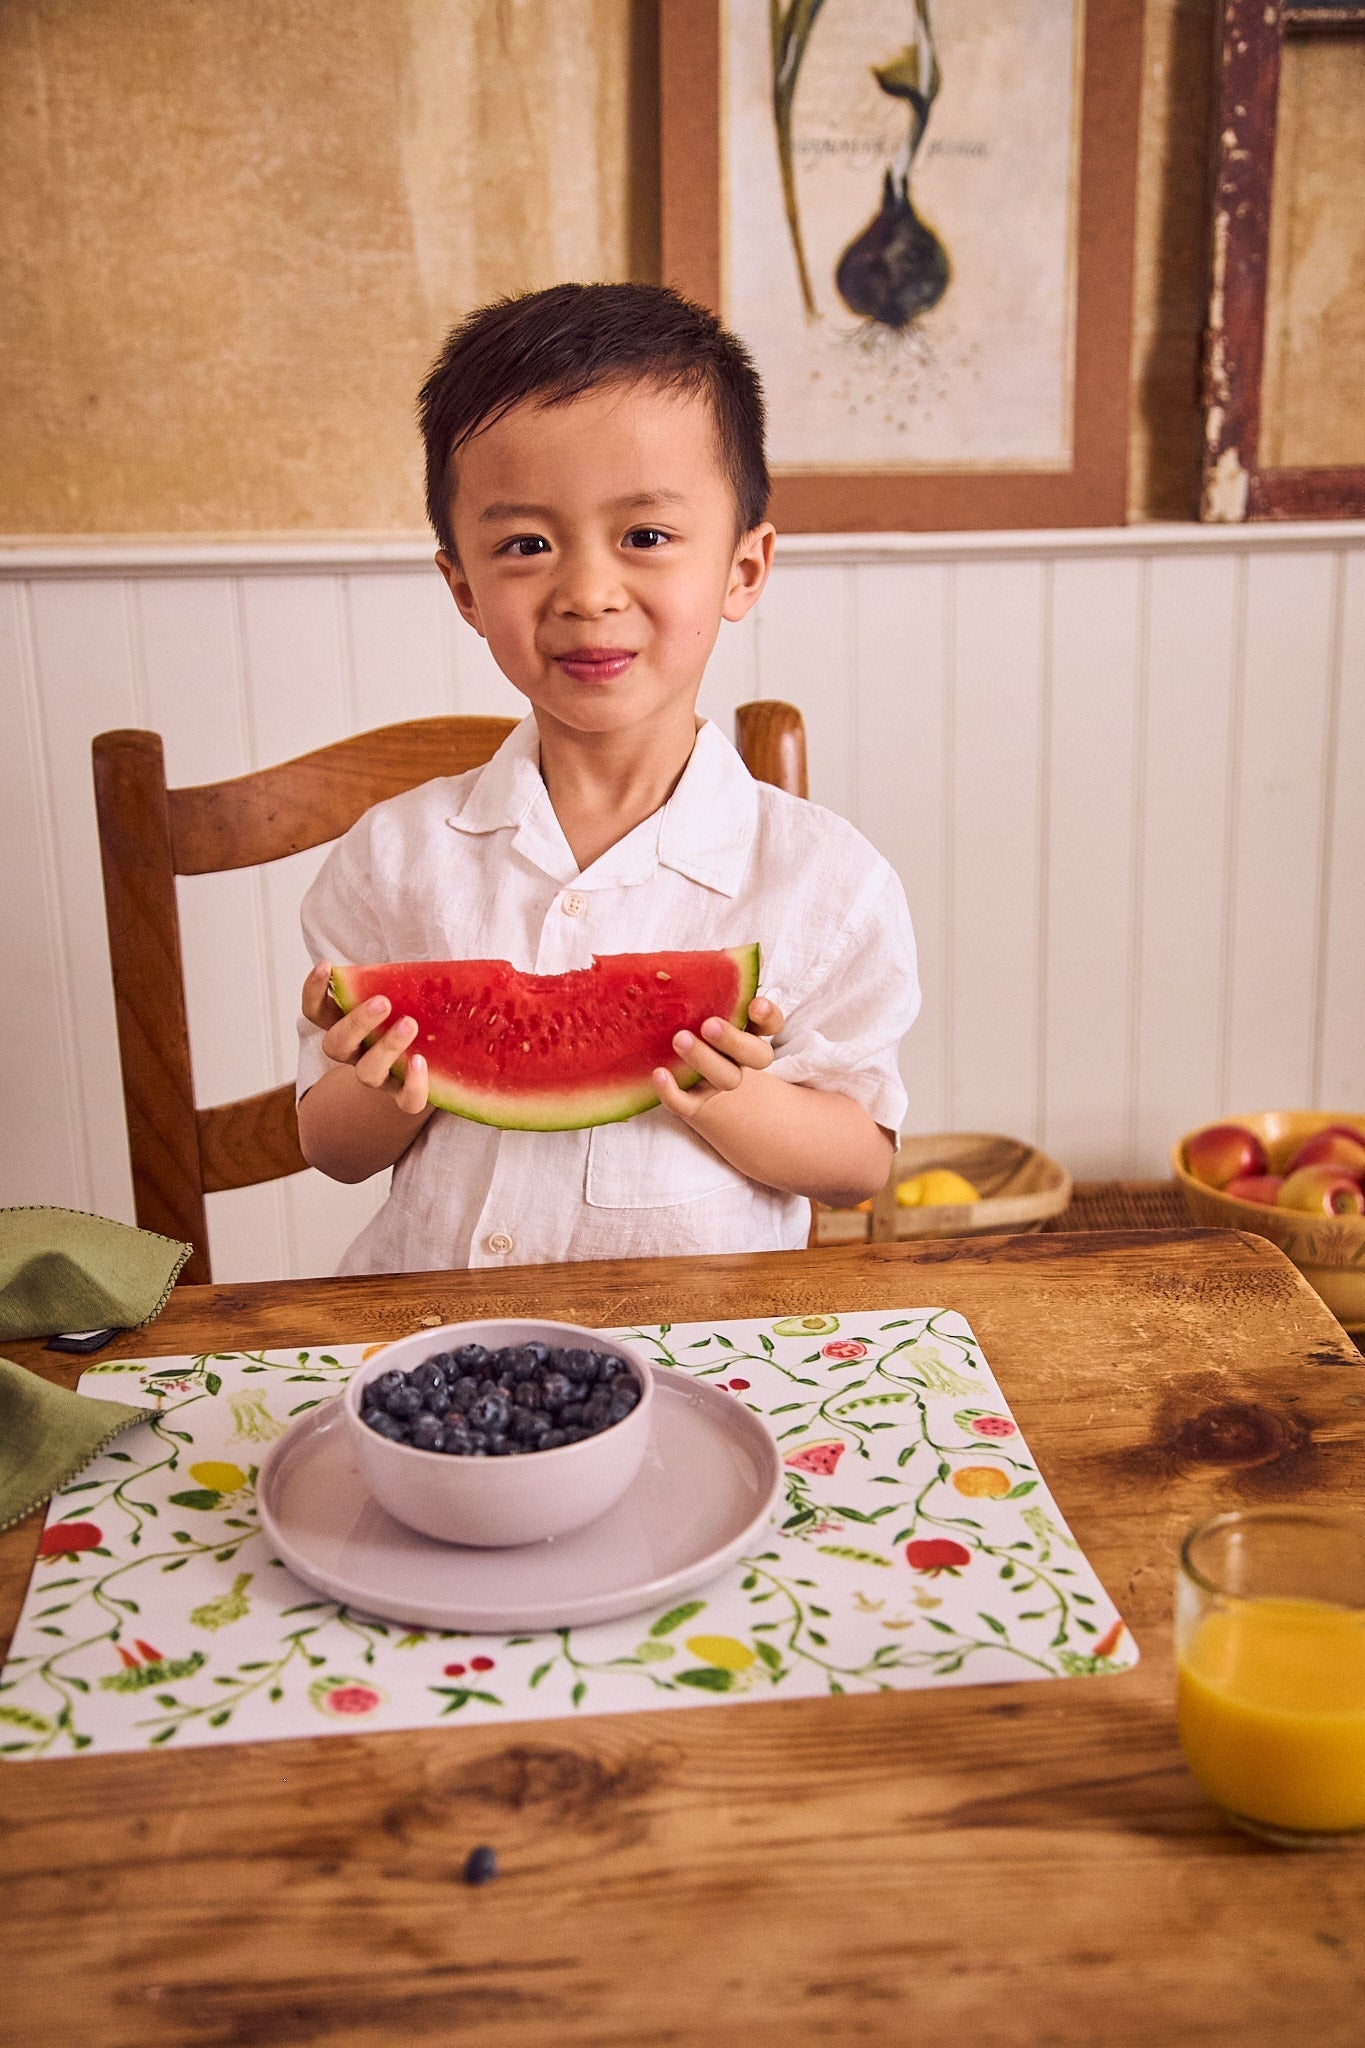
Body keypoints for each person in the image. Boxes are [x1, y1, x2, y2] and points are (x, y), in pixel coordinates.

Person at [296, 282, 919, 1274]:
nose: (587, 591)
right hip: (436, 1347)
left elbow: (858, 1163)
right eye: (527, 545)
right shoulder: (393, 859)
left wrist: (737, 1100)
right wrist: (382, 1080)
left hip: (703, 1355)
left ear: (743, 570)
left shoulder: (824, 882)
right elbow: (329, 1150)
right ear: (462, 585)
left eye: (646, 536)